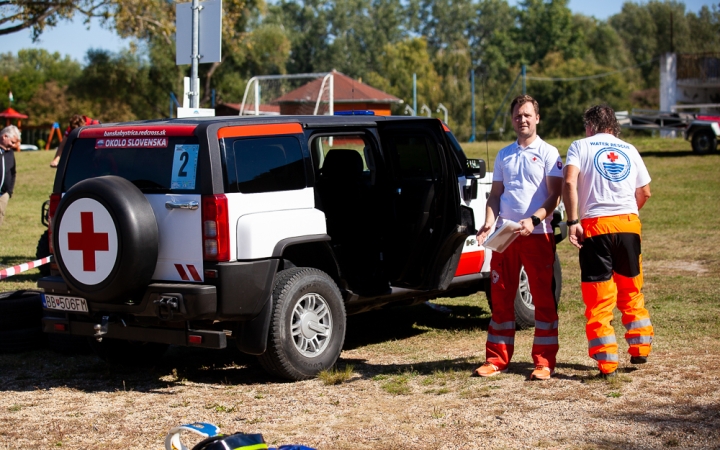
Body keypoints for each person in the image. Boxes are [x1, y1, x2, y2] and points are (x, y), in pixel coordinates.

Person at [472, 95, 563, 380]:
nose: (522, 120)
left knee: (542, 300)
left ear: (537, 118)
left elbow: (555, 195)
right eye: (517, 116)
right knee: (501, 297)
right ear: (512, 120)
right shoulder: (504, 155)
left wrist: (534, 219)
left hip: (538, 235)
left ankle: (544, 362)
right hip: (506, 237)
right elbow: (495, 195)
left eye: (527, 115)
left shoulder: (549, 152)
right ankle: (496, 359)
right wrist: (488, 223)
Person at [563, 104, 654, 378]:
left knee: (599, 298)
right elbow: (646, 192)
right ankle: (640, 350)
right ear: (613, 126)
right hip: (628, 224)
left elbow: (569, 183)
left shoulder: (580, 146)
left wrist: (572, 221)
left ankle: (607, 364)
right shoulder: (629, 149)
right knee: (631, 289)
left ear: (590, 126)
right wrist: (628, 214)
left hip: (595, 227)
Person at [0, 125, 19, 227]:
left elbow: (13, 172)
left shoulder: (10, 153)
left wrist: (9, 191)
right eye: (12, 142)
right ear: (4, 136)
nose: (14, 145)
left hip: (3, 195)